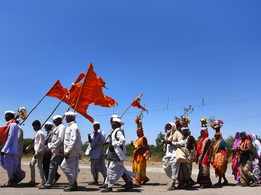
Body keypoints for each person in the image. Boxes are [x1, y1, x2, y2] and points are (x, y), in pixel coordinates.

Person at [102, 116, 133, 193]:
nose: (111, 124)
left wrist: (114, 144)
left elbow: (122, 140)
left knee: (112, 170)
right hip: (112, 154)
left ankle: (109, 186)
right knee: (120, 170)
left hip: (116, 154)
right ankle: (129, 182)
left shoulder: (118, 131)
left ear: (116, 124)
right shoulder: (114, 131)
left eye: (113, 123)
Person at [0, 111, 25, 187]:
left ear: (11, 116)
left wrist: (4, 149)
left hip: (10, 150)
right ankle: (16, 176)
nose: (5, 117)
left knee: (9, 166)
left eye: (7, 115)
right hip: (7, 149)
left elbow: (10, 138)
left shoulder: (13, 125)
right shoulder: (8, 125)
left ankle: (12, 180)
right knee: (5, 164)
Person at [61, 111, 82, 192]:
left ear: (70, 117)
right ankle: (73, 183)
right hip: (72, 151)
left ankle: (72, 184)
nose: (65, 118)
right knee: (73, 168)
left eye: (66, 117)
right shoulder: (71, 126)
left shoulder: (73, 127)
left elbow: (73, 140)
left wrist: (67, 151)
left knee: (64, 166)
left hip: (71, 152)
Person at [42, 115, 65, 189]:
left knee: (53, 166)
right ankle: (49, 182)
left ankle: (48, 183)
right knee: (60, 166)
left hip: (58, 150)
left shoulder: (62, 128)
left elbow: (60, 139)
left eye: (55, 121)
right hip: (55, 150)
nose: (54, 122)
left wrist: (51, 146)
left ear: (59, 120)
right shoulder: (57, 128)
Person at [162, 118, 184, 191]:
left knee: (174, 169)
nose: (168, 128)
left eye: (169, 127)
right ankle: (175, 180)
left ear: (173, 126)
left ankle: (173, 183)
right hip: (168, 155)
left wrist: (172, 143)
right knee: (166, 167)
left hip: (175, 155)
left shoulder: (178, 133)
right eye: (167, 127)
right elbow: (166, 144)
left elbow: (182, 143)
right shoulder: (168, 134)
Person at [132, 114, 150, 185]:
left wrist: (140, 148)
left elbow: (146, 147)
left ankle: (138, 180)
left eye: (139, 132)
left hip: (141, 156)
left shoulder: (143, 138)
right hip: (136, 156)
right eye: (137, 132)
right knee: (136, 168)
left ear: (142, 132)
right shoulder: (137, 139)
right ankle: (144, 178)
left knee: (140, 168)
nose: (138, 133)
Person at [210, 120, 228, 187]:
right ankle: (225, 180)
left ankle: (220, 182)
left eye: (216, 136)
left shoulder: (221, 141)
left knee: (220, 168)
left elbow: (225, 149)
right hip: (217, 155)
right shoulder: (216, 142)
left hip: (221, 155)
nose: (215, 137)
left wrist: (225, 156)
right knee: (218, 168)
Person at [88, 121, 107, 185]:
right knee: (93, 168)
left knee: (101, 167)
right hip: (93, 153)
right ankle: (95, 180)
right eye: (94, 126)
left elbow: (103, 142)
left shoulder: (102, 133)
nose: (95, 127)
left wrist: (97, 136)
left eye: (96, 125)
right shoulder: (92, 133)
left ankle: (106, 179)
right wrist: (90, 140)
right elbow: (92, 143)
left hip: (100, 153)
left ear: (99, 126)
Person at [29, 120, 46, 188]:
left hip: (39, 152)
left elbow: (40, 143)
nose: (33, 128)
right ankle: (33, 180)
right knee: (31, 164)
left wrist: (37, 152)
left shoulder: (40, 133)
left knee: (39, 166)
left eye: (34, 126)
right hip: (37, 152)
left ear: (38, 126)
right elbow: (36, 142)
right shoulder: (38, 133)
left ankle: (43, 181)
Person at [196, 118, 212, 188]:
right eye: (201, 131)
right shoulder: (200, 139)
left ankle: (205, 183)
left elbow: (208, 150)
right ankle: (203, 182)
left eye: (203, 131)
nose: (201, 133)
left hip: (205, 156)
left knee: (205, 169)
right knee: (201, 169)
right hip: (200, 156)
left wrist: (205, 157)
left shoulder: (207, 139)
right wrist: (197, 157)